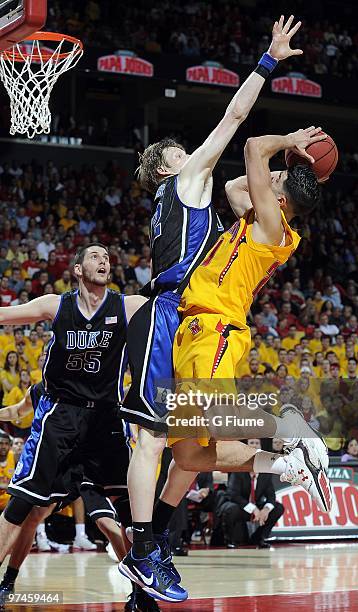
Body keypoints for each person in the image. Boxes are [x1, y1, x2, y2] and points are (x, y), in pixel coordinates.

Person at [120, 14, 307, 604]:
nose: (195, 150)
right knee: (159, 439)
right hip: (177, 314)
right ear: (170, 165)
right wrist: (269, 61)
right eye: (184, 149)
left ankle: (151, 562)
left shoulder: (192, 199)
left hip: (183, 318)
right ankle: (143, 545)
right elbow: (235, 120)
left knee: (187, 450)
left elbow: (238, 190)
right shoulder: (184, 181)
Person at [0, 243, 159, 612]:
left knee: (126, 514)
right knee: (24, 505)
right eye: (94, 256)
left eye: (107, 257)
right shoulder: (56, 305)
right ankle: (8, 580)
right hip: (62, 417)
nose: (103, 261)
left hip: (106, 419)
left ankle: (141, 592)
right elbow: (7, 314)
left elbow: (174, 305)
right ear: (77, 269)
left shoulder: (127, 305)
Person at [222, 439, 284, 548]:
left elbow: (271, 496)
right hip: (241, 506)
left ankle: (259, 538)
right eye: (251, 443)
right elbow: (232, 494)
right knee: (230, 509)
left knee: (278, 508)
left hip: (256, 507)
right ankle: (230, 540)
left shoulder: (265, 471)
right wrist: (253, 509)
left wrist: (265, 510)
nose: (254, 445)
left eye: (257, 443)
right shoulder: (239, 468)